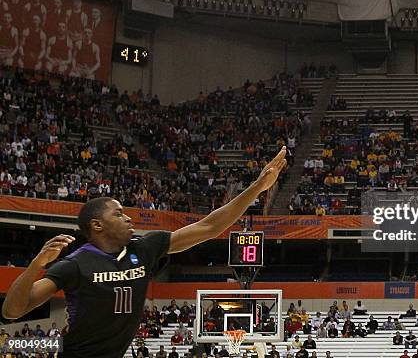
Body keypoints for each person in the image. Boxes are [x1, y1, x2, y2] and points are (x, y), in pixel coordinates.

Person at [1, 148, 287, 358]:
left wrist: (256, 188)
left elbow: (210, 226)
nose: (128, 218)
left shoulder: (144, 247)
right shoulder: (75, 265)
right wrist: (36, 264)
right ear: (97, 225)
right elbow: (12, 311)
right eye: (119, 214)